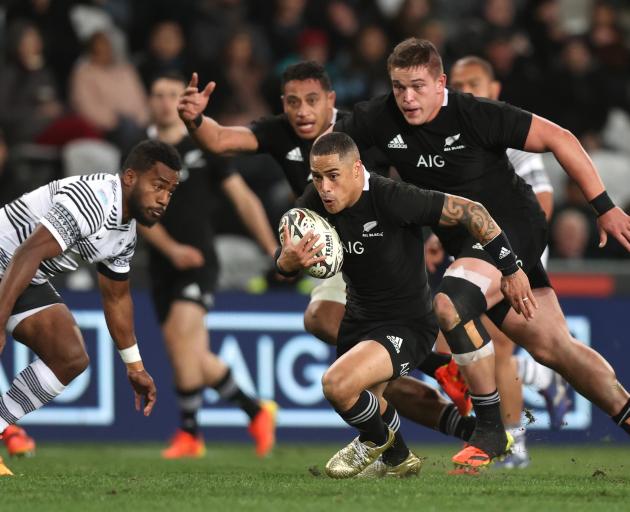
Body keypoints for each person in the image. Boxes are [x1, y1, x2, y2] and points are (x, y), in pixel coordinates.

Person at [333, 37, 630, 470]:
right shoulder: (379, 118)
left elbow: (560, 138)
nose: (408, 98)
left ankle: (490, 432)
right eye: (398, 87)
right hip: (469, 245)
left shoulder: (475, 114)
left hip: (514, 229)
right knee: (555, 349)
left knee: (451, 302)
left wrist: (603, 207)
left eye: (417, 86)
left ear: (441, 83)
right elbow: (328, 144)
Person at [176, 60, 478, 444]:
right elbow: (220, 140)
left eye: (312, 100)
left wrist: (435, 234)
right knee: (345, 348)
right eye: (292, 102)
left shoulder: (361, 130)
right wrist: (195, 121)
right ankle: (450, 406)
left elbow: (417, 178)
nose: (302, 111)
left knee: (348, 350)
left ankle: (437, 386)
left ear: (331, 100)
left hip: (387, 254)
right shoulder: (280, 132)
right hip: (336, 253)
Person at [277, 132, 533, 478]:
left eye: (333, 177)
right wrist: (287, 263)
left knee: (337, 385)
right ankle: (397, 458)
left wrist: (511, 268)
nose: (324, 188)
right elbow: (285, 261)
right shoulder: (316, 200)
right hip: (358, 322)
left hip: (407, 325)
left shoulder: (392, 197)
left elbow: (473, 211)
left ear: (356, 170)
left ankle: (372, 442)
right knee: (368, 400)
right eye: (318, 177)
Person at [0, 140, 178, 476]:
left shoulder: (125, 234)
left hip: (22, 271)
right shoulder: (94, 200)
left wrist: (135, 367)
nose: (164, 199)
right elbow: (28, 251)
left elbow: (117, 297)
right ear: (130, 177)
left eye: (170, 191)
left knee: (69, 356)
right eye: (158, 186)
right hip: (10, 256)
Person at [140, 73, 278, 459]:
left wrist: (272, 249)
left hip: (199, 261)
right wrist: (170, 251)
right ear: (150, 101)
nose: (165, 101)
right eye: (158, 94)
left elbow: (243, 199)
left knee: (186, 350)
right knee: (192, 358)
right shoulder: (139, 150)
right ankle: (257, 410)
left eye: (172, 93)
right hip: (162, 266)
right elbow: (135, 214)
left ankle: (190, 434)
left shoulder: (201, 146)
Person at [444, 55, 571, 468]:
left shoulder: (509, 134)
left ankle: (514, 444)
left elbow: (544, 203)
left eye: (474, 83)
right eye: (458, 84)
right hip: (476, 254)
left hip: (514, 255)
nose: (466, 91)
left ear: (494, 90)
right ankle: (543, 380)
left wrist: (511, 258)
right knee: (480, 346)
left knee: (498, 345)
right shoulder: (451, 140)